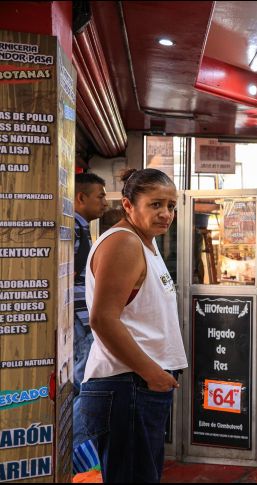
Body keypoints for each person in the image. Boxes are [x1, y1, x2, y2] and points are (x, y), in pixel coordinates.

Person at [78, 168, 187, 483]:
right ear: (128, 205)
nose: (166, 213)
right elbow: (103, 319)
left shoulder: (145, 242)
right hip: (128, 385)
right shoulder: (124, 243)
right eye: (155, 205)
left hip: (138, 385)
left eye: (171, 205)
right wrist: (152, 374)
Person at [72, 173, 108, 474]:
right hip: (80, 322)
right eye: (100, 196)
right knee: (86, 387)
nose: (104, 202)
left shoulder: (83, 231)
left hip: (83, 320)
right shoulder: (71, 230)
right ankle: (82, 462)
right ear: (80, 198)